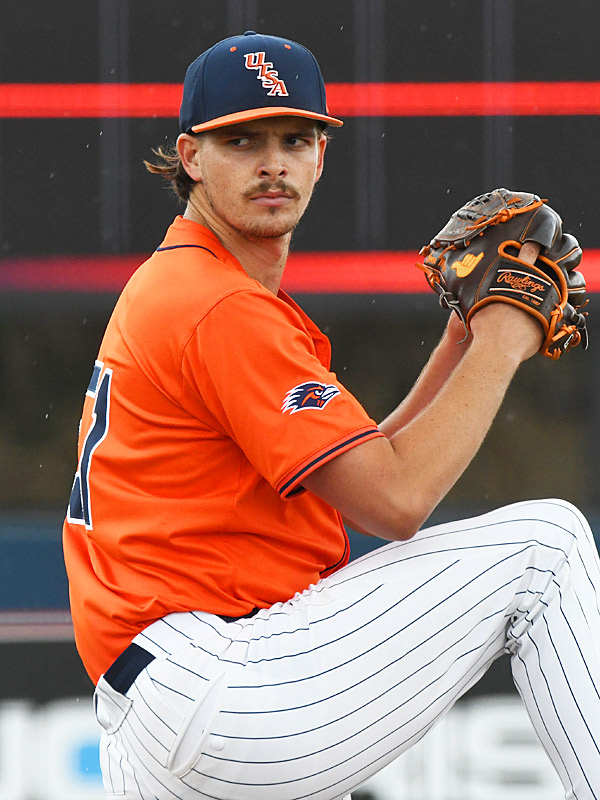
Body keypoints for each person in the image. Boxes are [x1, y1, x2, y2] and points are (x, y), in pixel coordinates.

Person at [63, 31, 600, 800]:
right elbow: (399, 500)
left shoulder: (189, 288)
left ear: (322, 154)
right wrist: (505, 339)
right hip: (224, 684)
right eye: (241, 140)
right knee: (548, 551)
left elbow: (366, 474)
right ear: (190, 157)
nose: (273, 161)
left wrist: (461, 343)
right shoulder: (220, 307)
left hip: (166, 712)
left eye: (295, 137)